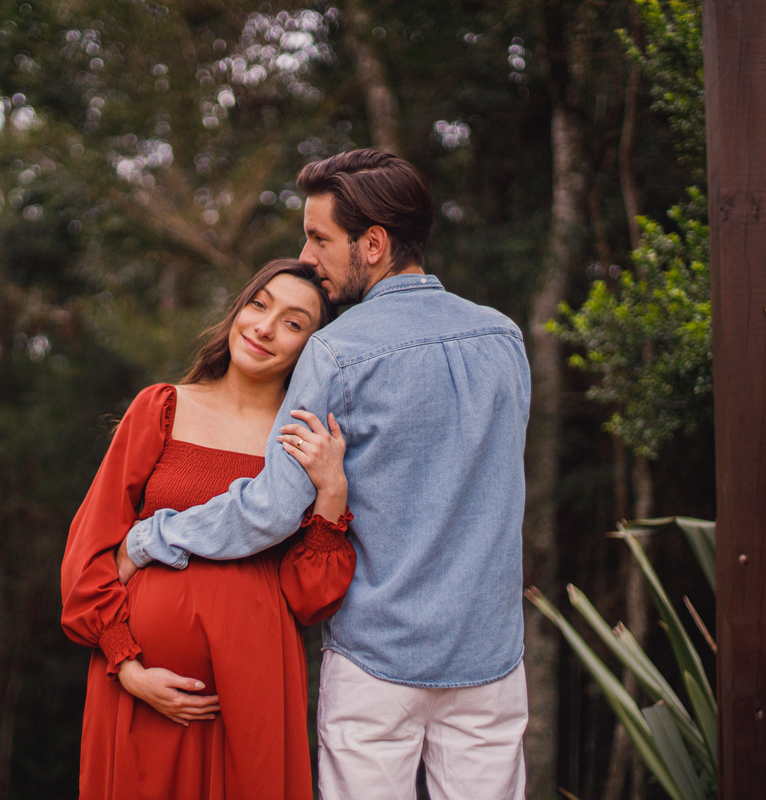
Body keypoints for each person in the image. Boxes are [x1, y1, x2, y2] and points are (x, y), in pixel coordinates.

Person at [119, 149, 531, 800]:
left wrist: (152, 536)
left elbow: (270, 510)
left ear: (372, 244)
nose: (308, 256)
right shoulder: (505, 338)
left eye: (318, 238)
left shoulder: (337, 350)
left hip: (377, 661)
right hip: (489, 657)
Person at [60, 259, 357, 800]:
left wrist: (332, 491)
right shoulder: (162, 409)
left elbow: (310, 598)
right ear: (238, 310)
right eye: (259, 305)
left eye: (294, 323)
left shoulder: (301, 446)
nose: (265, 327)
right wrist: (126, 665)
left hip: (254, 690)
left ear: (312, 350)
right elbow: (89, 553)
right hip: (138, 687)